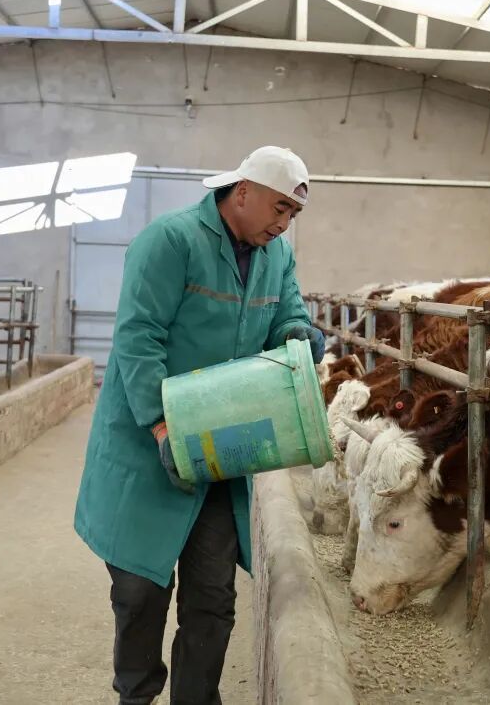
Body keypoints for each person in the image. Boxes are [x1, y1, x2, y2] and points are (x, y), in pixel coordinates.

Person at [74, 145, 326, 705]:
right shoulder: (170, 240)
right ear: (244, 192)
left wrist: (296, 336)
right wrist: (163, 427)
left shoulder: (277, 256)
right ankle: (136, 694)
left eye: (293, 214)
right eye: (280, 208)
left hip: (220, 449)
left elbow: (287, 315)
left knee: (212, 597)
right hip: (148, 446)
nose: (284, 223)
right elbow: (139, 337)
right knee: (140, 589)